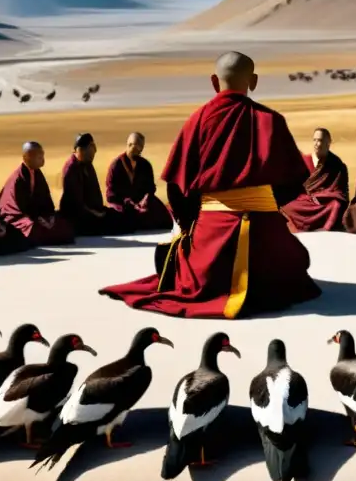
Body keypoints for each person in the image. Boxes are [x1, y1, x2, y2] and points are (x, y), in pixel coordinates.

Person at [100, 51, 320, 319]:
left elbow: (177, 188)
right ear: (254, 81)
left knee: (192, 267)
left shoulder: (198, 119)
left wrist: (190, 222)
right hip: (264, 233)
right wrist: (267, 208)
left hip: (212, 233)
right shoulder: (271, 121)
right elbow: (292, 182)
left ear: (215, 82)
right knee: (293, 261)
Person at [0, 142, 75, 246]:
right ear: (26, 157)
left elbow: (45, 198)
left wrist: (49, 216)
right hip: (18, 216)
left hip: (38, 216)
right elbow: (18, 207)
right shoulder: (18, 178)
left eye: (42, 156)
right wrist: (39, 218)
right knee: (31, 228)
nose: (42, 159)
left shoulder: (37, 173)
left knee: (64, 225)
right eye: (39, 157)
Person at [60, 133, 129, 236]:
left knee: (122, 219)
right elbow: (76, 201)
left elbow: (95, 192)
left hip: (93, 210)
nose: (92, 157)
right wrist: (96, 213)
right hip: (78, 213)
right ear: (79, 150)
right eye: (89, 153)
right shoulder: (71, 169)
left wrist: (100, 210)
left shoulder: (87, 164)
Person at [283, 128, 350, 233]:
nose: (317, 144)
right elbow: (294, 186)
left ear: (328, 143)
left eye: (321, 140)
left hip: (323, 204)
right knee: (287, 205)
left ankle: (325, 230)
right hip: (305, 201)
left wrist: (320, 196)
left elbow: (341, 193)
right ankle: (300, 228)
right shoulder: (305, 160)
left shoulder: (337, 164)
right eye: (315, 140)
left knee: (336, 205)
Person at [104, 132, 173, 232]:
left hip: (141, 205)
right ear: (129, 145)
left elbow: (151, 188)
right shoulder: (116, 166)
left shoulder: (145, 165)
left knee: (162, 213)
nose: (138, 150)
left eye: (140, 148)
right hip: (122, 205)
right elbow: (110, 195)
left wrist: (144, 199)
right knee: (120, 217)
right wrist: (127, 202)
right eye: (135, 147)